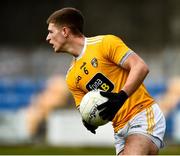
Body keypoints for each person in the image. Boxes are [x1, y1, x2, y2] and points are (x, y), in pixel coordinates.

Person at [46, 7, 166, 155]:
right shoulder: (71, 77)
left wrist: (121, 96)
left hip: (142, 114)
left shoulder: (104, 43)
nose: (47, 38)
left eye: (51, 32)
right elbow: (83, 107)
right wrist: (88, 120)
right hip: (119, 130)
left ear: (65, 31)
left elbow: (140, 67)